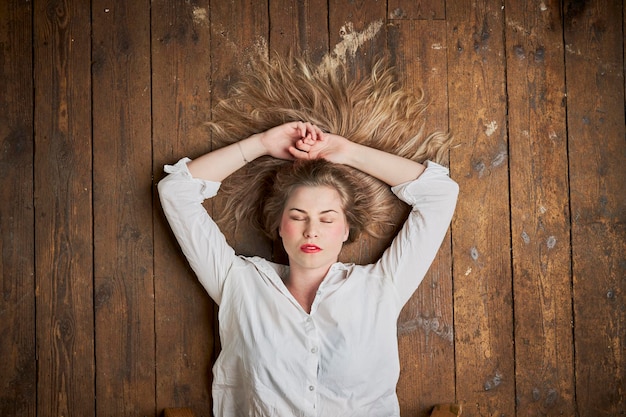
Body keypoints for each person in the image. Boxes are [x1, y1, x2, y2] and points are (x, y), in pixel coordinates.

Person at [158, 121, 459, 417]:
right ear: (279, 225)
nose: (311, 230)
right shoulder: (239, 283)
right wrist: (261, 144)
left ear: (345, 229)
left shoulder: (381, 287)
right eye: (298, 216)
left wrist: (345, 150)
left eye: (327, 219)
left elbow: (439, 193)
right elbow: (176, 191)